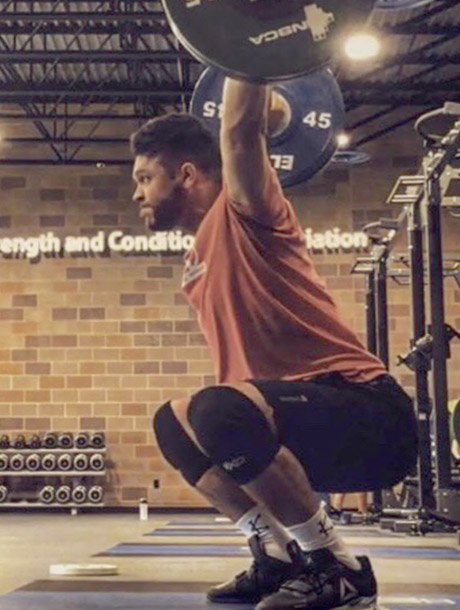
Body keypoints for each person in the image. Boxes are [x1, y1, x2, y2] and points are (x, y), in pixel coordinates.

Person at [130, 77, 418, 610]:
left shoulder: (246, 210)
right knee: (175, 421)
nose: (136, 193)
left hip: (370, 415)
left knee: (219, 409)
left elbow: (240, 130)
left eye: (145, 177)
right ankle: (277, 554)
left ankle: (336, 567)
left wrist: (245, 47)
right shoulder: (196, 257)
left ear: (187, 175)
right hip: (298, 429)